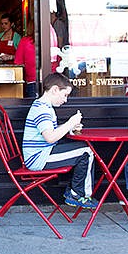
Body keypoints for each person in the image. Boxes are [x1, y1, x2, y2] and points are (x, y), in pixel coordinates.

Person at [22, 72, 98, 209]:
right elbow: (50, 137)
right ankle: (78, 194)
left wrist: (69, 127)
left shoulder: (41, 106)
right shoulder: (42, 110)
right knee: (87, 152)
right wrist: (70, 123)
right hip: (39, 158)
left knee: (83, 147)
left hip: (41, 154)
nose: (66, 100)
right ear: (55, 89)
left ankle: (75, 191)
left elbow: (51, 133)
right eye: (65, 95)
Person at [14, 23, 36, 98]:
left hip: (31, 80)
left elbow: (18, 62)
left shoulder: (25, 41)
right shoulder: (49, 39)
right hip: (50, 80)